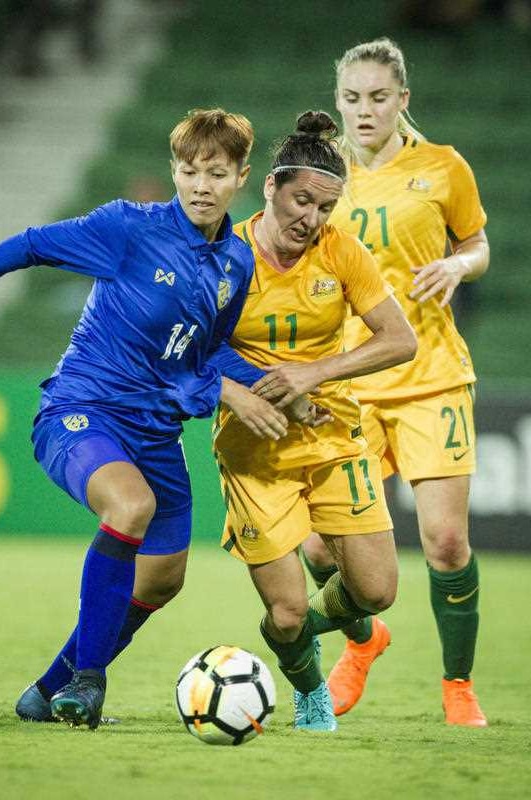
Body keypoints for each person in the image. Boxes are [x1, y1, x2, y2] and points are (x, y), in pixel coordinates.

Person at [0, 108, 292, 730]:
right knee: (129, 507)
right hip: (82, 410)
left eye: (215, 172)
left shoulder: (237, 260)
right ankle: (89, 682)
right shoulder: (127, 228)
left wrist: (274, 383)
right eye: (187, 171)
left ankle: (46, 692)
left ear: (241, 177)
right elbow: (29, 244)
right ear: (174, 172)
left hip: (157, 432)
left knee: (161, 581)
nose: (199, 185)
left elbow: (204, 350)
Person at [301, 38, 490, 727]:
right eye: (351, 98)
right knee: (317, 545)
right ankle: (361, 641)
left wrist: (459, 267)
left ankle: (456, 686)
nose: (363, 111)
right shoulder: (320, 176)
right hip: (349, 386)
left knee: (444, 541)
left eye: (378, 97)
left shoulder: (442, 168)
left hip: (430, 379)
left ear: (401, 99)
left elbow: (475, 242)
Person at [213, 110, 417, 731]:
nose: (313, 219)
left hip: (332, 438)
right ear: (270, 187)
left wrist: (314, 373)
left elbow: (400, 340)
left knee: (378, 591)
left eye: (326, 207)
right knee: (288, 613)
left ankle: (315, 631)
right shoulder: (223, 255)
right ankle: (308, 688)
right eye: (303, 201)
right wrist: (256, 389)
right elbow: (191, 353)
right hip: (254, 454)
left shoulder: (341, 251)